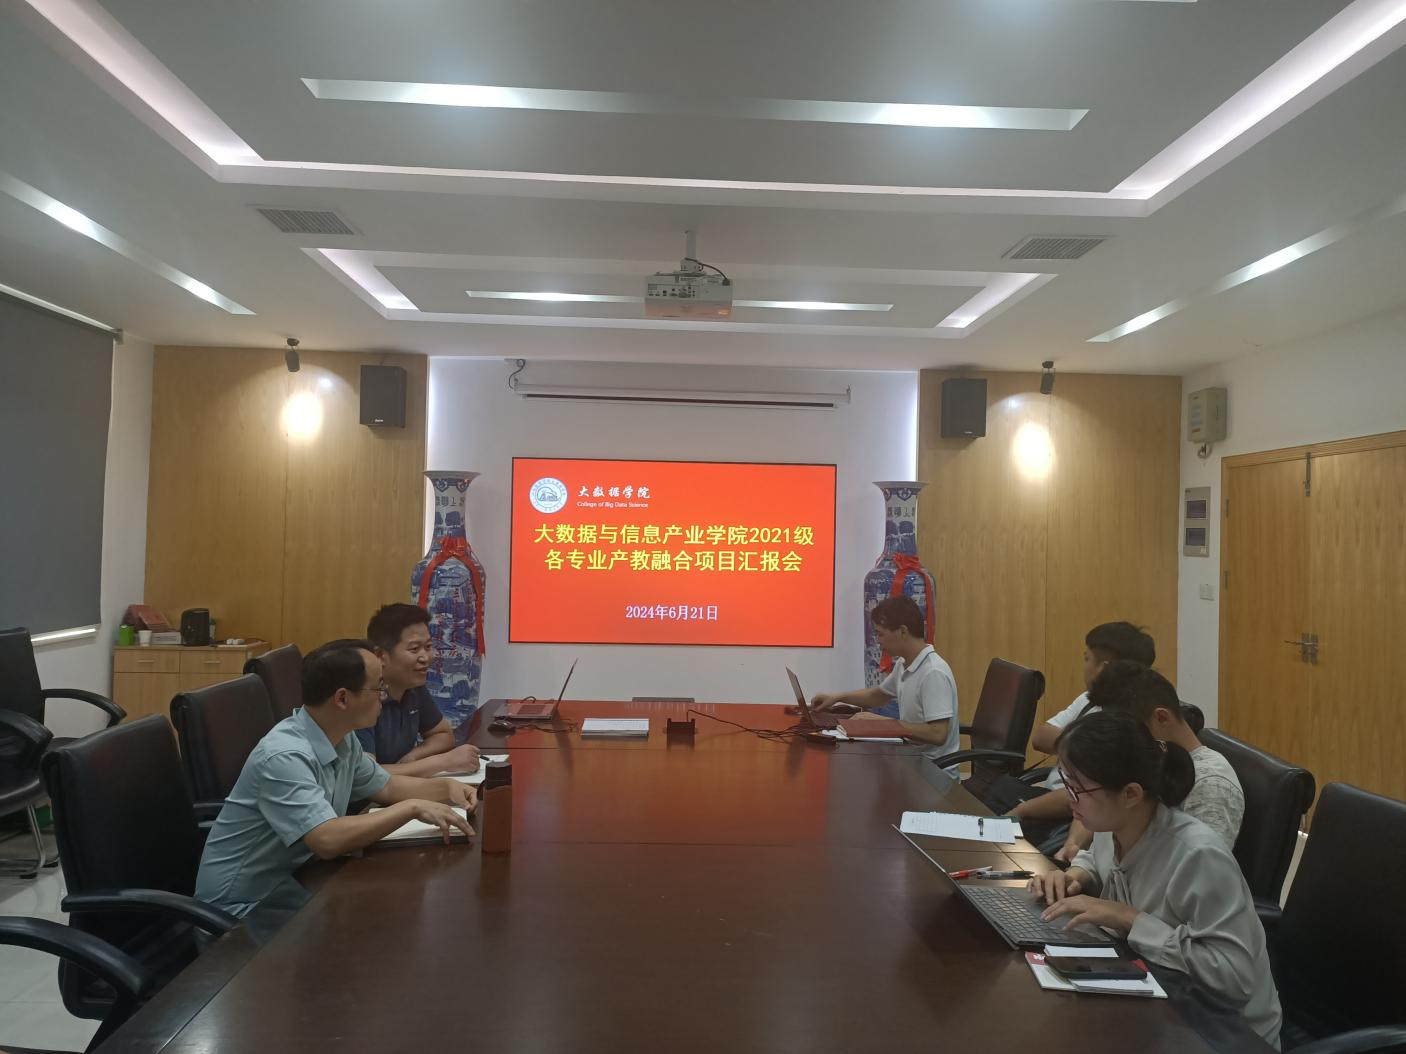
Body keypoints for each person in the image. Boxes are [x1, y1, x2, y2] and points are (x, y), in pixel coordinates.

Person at [1029, 710, 1281, 1047]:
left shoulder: (1197, 855)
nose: (1069, 798)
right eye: (1066, 782)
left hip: (1221, 1031)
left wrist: (1130, 919)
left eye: (1078, 789)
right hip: (1155, 996)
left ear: (1131, 794)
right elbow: (1096, 859)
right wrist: (1076, 876)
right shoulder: (1114, 823)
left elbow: (1234, 978)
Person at [195, 639, 477, 920]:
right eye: (378, 687)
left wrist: (446, 788)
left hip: (297, 884)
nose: (383, 696)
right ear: (342, 699)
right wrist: (411, 808)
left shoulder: (342, 738)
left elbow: (386, 785)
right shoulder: (285, 756)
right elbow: (327, 839)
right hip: (242, 911)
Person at [1049, 661, 1244, 862]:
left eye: (1129, 733)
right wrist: (1078, 858)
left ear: (1161, 718)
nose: (1121, 742)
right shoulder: (1142, 761)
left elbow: (1199, 865)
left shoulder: (1210, 785)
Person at [997, 622, 1156, 844]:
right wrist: (1083, 748)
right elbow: (1041, 738)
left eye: (1087, 659)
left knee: (991, 823)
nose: (1084, 666)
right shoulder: (1090, 700)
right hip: (1055, 799)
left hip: (1072, 814)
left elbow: (1085, 795)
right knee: (991, 795)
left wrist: (1022, 810)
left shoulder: (1128, 724)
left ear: (1104, 669)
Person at [810, 596, 960, 771]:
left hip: (933, 772)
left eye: (880, 634)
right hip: (911, 759)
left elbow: (938, 734)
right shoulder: (904, 664)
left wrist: (885, 723)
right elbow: (878, 696)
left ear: (902, 631)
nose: (878, 641)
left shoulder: (933, 672)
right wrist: (837, 697)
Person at [361, 603, 480, 777]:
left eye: (428, 647)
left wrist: (413, 757)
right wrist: (443, 762)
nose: (426, 658)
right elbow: (365, 777)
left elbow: (443, 735)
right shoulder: (363, 696)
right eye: (414, 649)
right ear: (380, 656)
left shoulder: (412, 687)